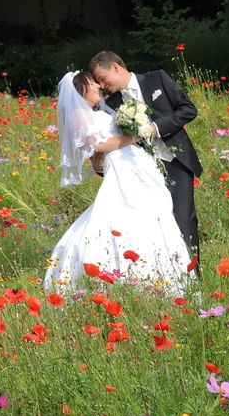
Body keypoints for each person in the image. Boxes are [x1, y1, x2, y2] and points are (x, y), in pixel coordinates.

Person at [44, 71, 194, 296]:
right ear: (81, 91)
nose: (97, 86)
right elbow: (94, 145)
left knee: (152, 211)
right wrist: (134, 136)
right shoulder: (79, 114)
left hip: (134, 161)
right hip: (120, 165)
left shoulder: (100, 109)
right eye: (92, 83)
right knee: (125, 211)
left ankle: (165, 269)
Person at [89, 51, 203, 266]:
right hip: (142, 170)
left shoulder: (156, 79)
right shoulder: (111, 104)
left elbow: (188, 110)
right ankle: (167, 274)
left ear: (116, 67)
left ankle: (194, 275)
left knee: (184, 218)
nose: (102, 85)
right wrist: (98, 166)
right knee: (154, 224)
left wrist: (155, 127)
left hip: (175, 160)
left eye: (102, 79)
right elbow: (111, 142)